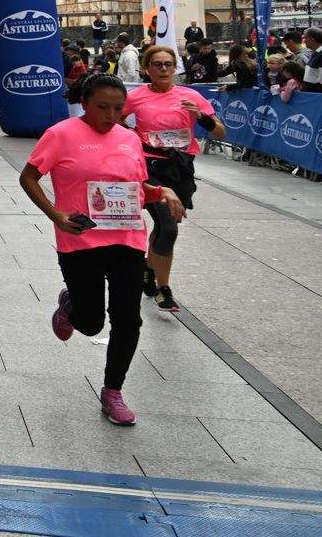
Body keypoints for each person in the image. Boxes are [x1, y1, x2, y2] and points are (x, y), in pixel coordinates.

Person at [18, 74, 187, 427]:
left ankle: (113, 391)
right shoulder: (60, 134)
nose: (111, 115)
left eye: (118, 108)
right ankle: (70, 306)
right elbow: (28, 177)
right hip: (80, 239)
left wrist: (163, 192)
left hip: (126, 238)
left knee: (128, 318)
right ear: (85, 102)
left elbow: (136, 186)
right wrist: (55, 214)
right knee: (92, 323)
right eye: (102, 107)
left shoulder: (129, 138)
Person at [124, 46, 224, 313]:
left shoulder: (190, 95)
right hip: (151, 165)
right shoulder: (137, 96)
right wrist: (132, 134)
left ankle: (148, 267)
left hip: (181, 168)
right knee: (168, 228)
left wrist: (200, 116)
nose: (164, 69)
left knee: (162, 224)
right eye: (157, 65)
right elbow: (115, 119)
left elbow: (221, 132)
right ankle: (163, 288)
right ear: (147, 69)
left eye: (169, 64)